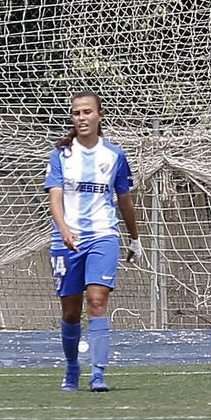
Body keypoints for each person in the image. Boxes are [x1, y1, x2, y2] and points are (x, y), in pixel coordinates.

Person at [45, 93, 142, 392]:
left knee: (97, 302)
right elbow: (55, 197)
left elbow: (125, 200)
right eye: (76, 113)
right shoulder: (61, 155)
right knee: (70, 312)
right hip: (67, 240)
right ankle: (72, 367)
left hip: (103, 236)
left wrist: (134, 239)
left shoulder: (114, 156)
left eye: (87, 112)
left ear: (99, 115)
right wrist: (63, 229)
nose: (81, 117)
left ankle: (98, 374)